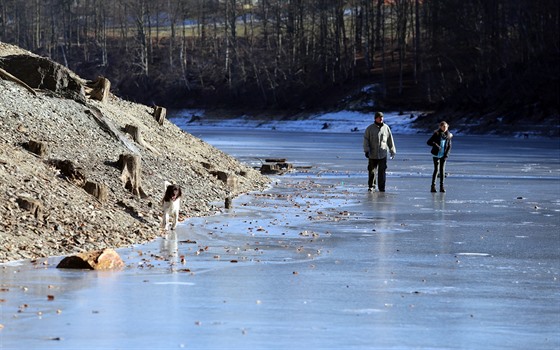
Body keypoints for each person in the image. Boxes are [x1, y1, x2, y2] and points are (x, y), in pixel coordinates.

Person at [363, 112, 396, 192]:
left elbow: (390, 140)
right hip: (372, 154)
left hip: (382, 154)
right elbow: (366, 140)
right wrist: (367, 150)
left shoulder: (386, 128)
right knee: (372, 172)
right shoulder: (370, 128)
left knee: (382, 172)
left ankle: (382, 187)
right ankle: (372, 186)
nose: (381, 119)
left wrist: (392, 150)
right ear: (375, 118)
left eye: (382, 117)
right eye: (379, 117)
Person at [426, 121, 453, 193]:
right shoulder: (436, 134)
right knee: (436, 170)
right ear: (440, 127)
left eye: (446, 127)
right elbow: (428, 142)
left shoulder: (449, 135)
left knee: (442, 170)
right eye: (443, 126)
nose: (445, 128)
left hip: (443, 155)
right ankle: (433, 186)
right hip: (436, 154)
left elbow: (449, 146)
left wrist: (446, 155)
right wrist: (435, 144)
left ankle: (442, 186)